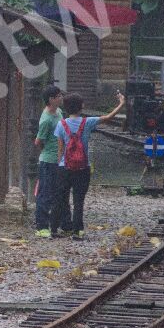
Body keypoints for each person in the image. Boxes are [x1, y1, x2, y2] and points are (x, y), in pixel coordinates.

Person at [50, 91, 125, 239]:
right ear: (81, 107)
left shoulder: (61, 124)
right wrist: (121, 103)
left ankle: (54, 229)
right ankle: (78, 232)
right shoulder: (88, 122)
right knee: (79, 200)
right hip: (83, 167)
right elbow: (109, 117)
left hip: (64, 167)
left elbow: (60, 149)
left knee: (60, 198)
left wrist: (60, 164)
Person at [33, 85, 70, 237]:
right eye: (59, 96)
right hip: (48, 161)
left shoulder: (59, 112)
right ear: (51, 99)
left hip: (60, 159)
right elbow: (38, 141)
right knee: (46, 193)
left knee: (61, 193)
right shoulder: (46, 120)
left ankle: (66, 224)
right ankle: (41, 226)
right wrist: (48, 151)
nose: (61, 98)